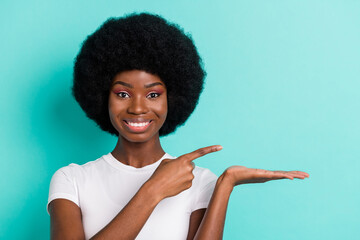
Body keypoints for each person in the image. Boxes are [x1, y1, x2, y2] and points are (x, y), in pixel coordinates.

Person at [47, 12, 309, 240]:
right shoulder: (72, 180)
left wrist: (225, 184)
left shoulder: (198, 181)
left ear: (173, 99)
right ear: (102, 96)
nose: (137, 108)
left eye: (153, 95)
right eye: (123, 94)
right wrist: (153, 190)